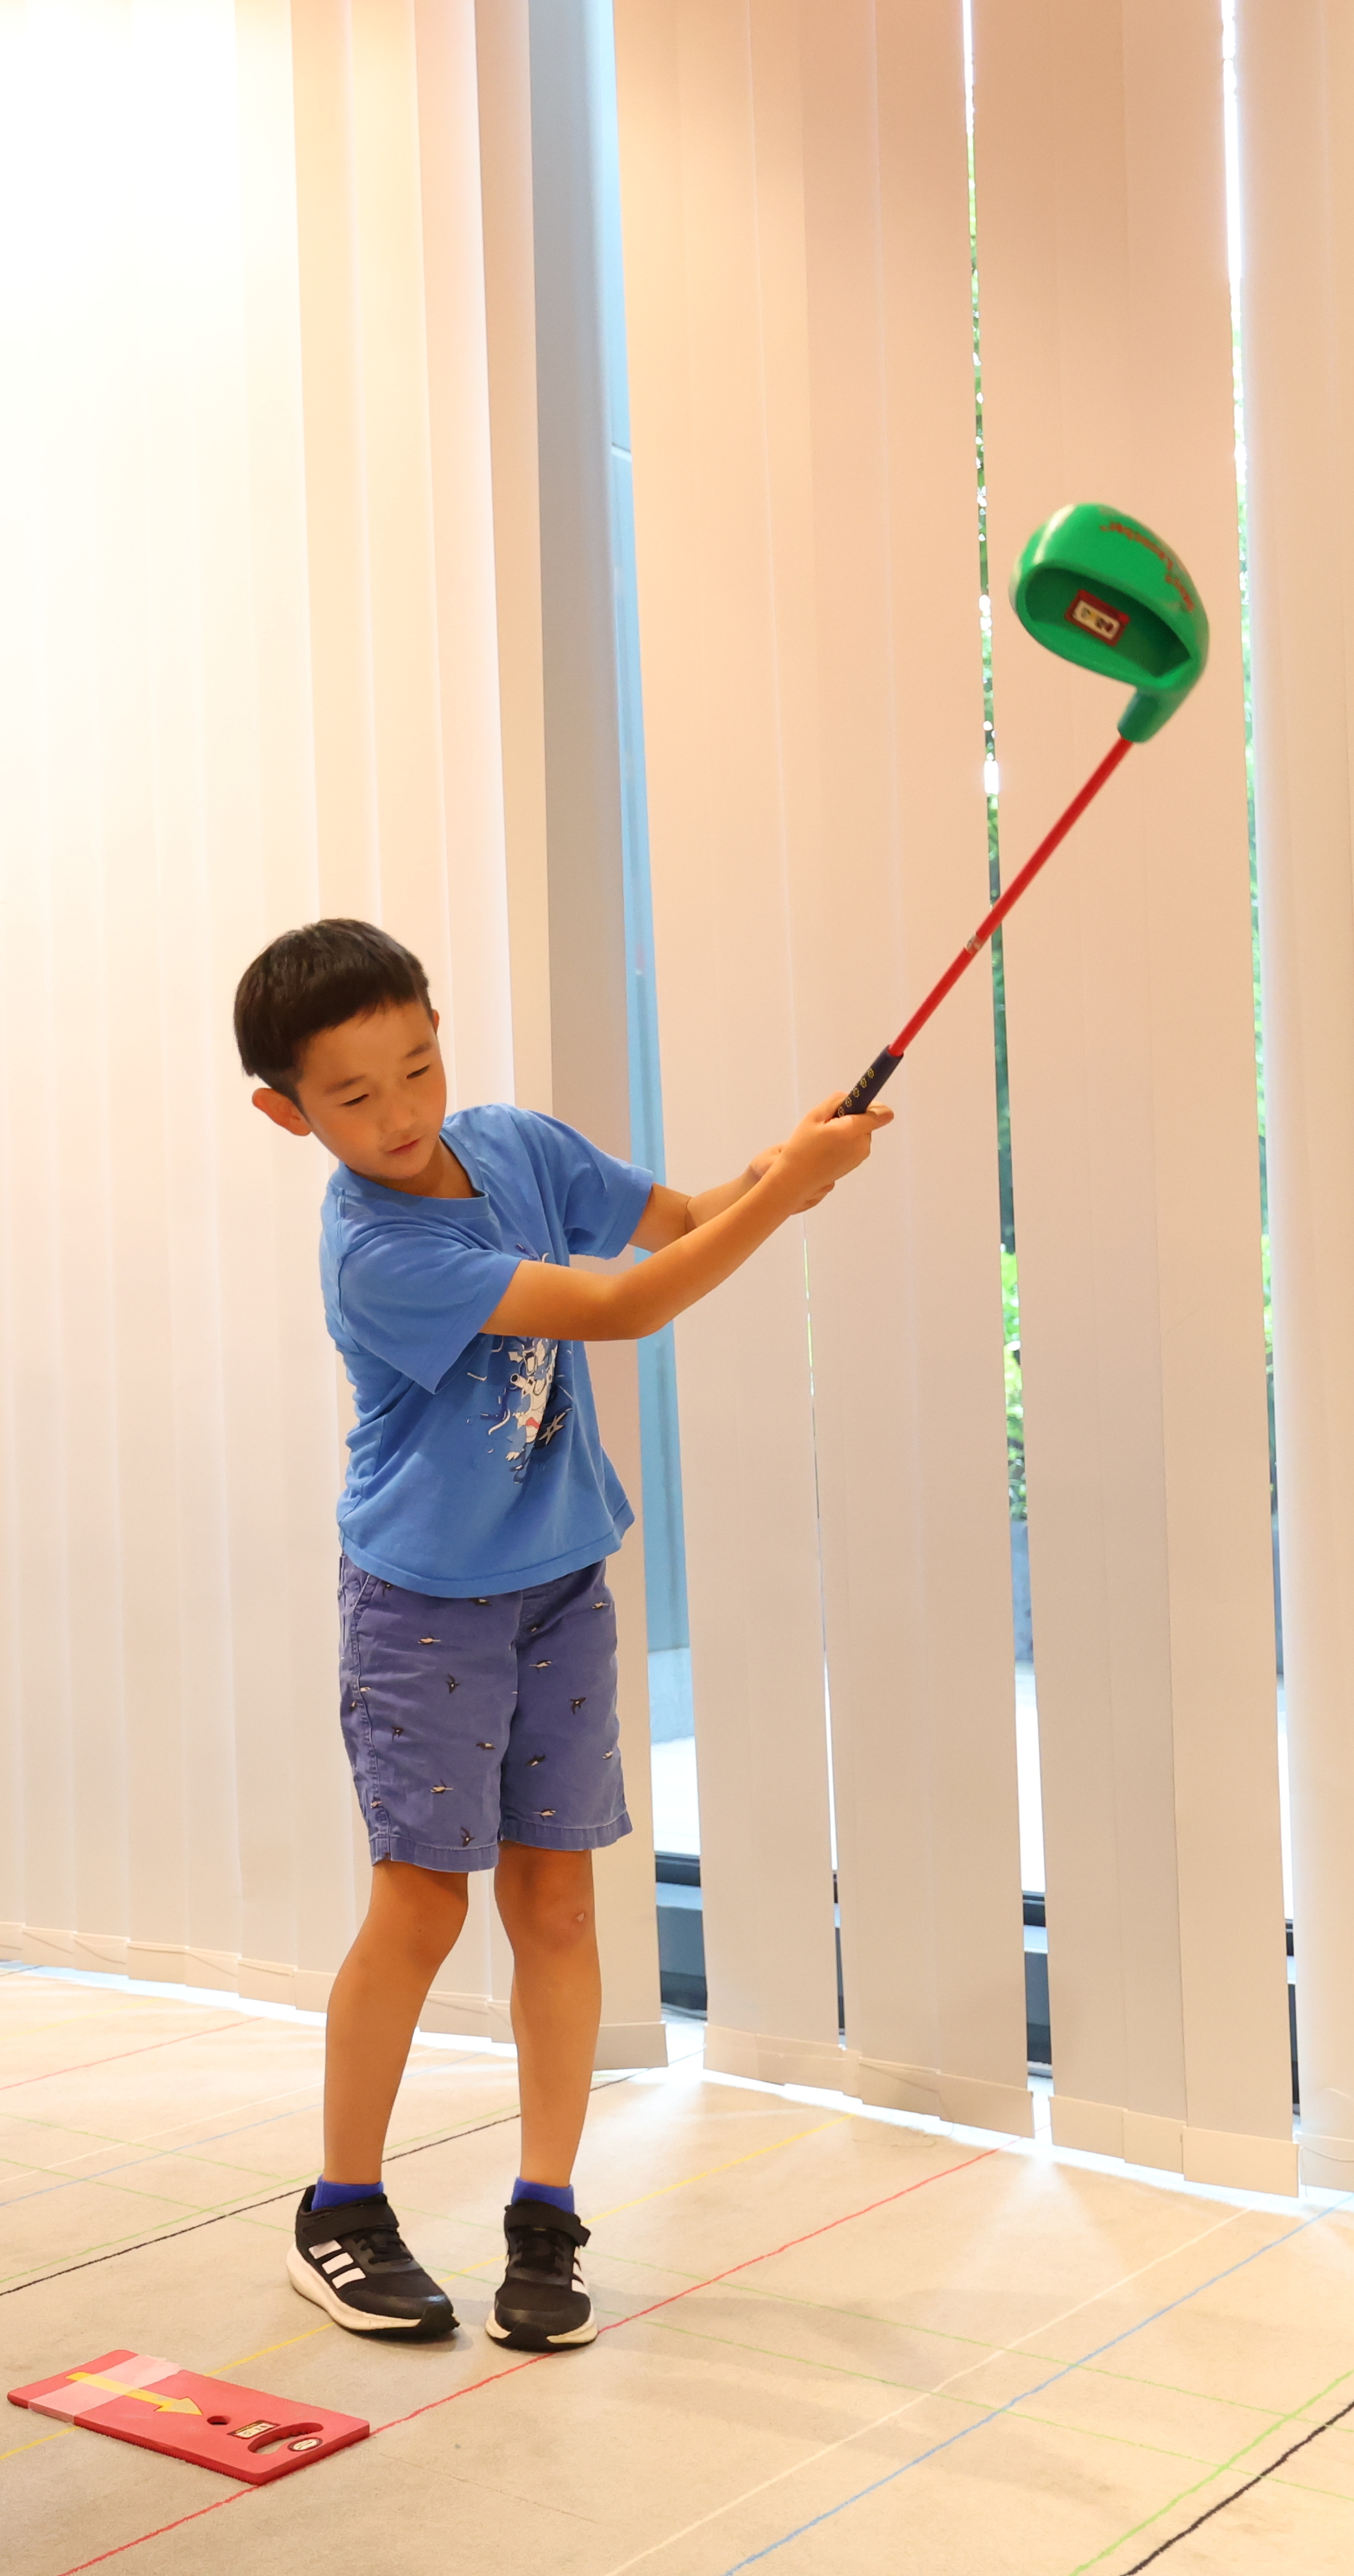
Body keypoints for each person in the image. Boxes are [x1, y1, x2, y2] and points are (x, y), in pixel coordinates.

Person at [234, 919, 885, 2349]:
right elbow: (623, 1303)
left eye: (419, 1063)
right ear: (286, 1111)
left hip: (558, 1585)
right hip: (421, 1605)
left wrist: (784, 1166)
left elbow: (677, 1217)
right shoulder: (380, 1245)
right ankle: (339, 2208)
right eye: (354, 1097)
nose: (402, 1114)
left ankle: (547, 2215)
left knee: (563, 1904)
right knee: (423, 1902)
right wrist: (787, 1198)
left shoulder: (517, 1146)